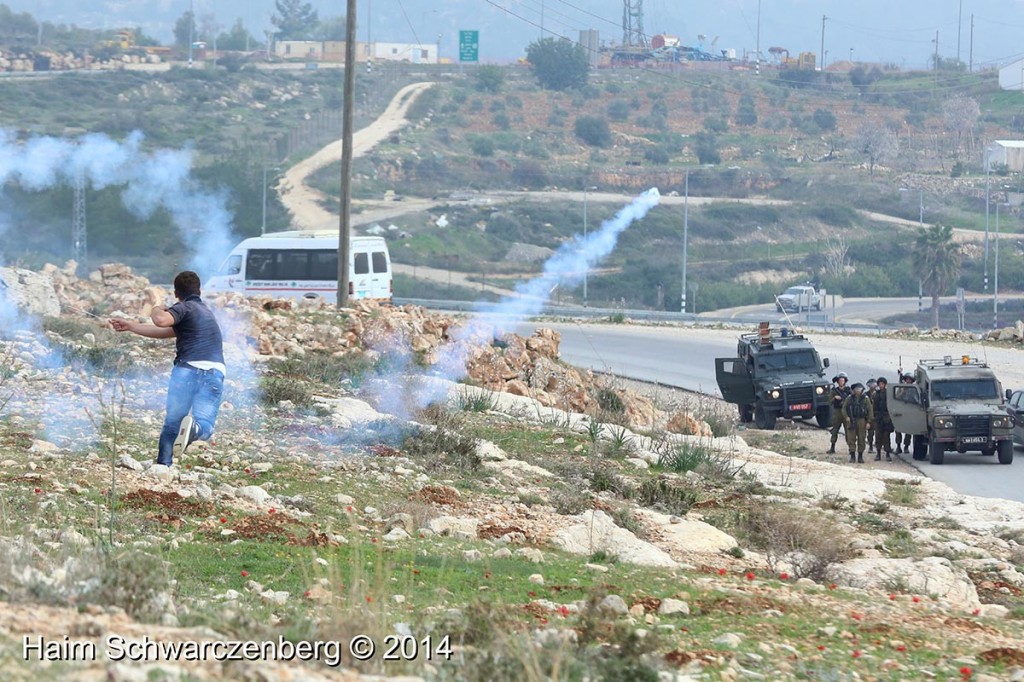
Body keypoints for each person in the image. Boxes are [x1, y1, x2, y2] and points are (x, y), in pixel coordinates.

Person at [110, 271, 225, 467]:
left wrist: (156, 305)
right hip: (214, 372)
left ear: (176, 293)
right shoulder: (205, 312)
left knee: (172, 422)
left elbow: (161, 320)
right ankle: (194, 430)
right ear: (199, 290)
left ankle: (163, 465)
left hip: (187, 370)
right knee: (205, 426)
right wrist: (131, 326)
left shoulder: (184, 307)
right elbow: (164, 331)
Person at [842, 382, 873, 464]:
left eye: (859, 389)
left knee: (862, 438)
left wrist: (869, 422)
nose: (858, 391)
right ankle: (852, 455)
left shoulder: (865, 399)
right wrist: (846, 417)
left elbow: (870, 410)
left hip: (862, 420)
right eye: (856, 389)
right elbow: (844, 409)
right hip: (851, 420)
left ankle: (860, 455)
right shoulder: (849, 398)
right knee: (851, 438)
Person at [827, 372, 851, 454]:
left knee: (848, 431)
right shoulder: (834, 391)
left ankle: (851, 448)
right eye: (840, 380)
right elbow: (829, 401)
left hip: (846, 413)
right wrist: (835, 398)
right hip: (837, 412)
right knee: (835, 430)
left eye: (843, 380)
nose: (841, 382)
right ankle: (832, 447)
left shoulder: (848, 391)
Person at [872, 377, 894, 461]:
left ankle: (887, 454)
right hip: (878, 417)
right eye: (880, 384)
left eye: (882, 384)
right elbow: (874, 406)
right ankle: (878, 454)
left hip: (886, 417)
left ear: (885, 384)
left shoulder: (888, 394)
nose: (881, 385)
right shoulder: (876, 394)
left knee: (886, 437)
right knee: (878, 436)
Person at [893, 373, 915, 454]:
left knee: (908, 431)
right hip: (901, 411)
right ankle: (898, 446)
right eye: (907, 379)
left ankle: (906, 446)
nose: (908, 381)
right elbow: (896, 398)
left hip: (909, 411)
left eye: (910, 380)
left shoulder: (913, 389)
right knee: (898, 430)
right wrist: (902, 392)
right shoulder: (901, 388)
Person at [865, 378, 878, 454]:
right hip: (869, 416)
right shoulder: (866, 395)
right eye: (871, 385)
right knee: (870, 433)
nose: (872, 386)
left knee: (879, 433)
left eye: (874, 385)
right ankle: (870, 446)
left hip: (877, 415)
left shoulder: (879, 393)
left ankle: (879, 446)